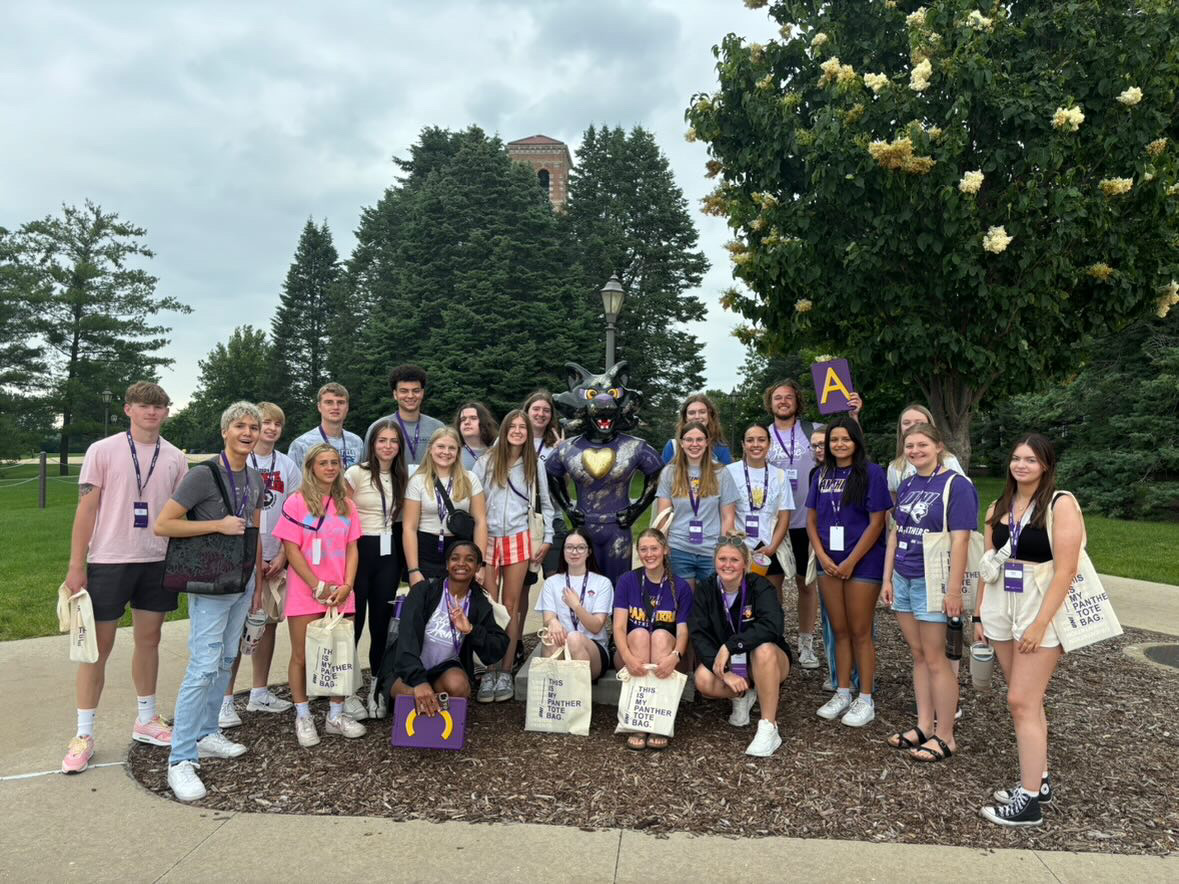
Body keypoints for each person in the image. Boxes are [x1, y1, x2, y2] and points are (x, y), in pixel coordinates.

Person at [60, 382, 189, 775]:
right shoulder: (103, 451)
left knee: (150, 640)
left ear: (167, 412)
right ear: (128, 409)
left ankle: (146, 719)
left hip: (156, 560)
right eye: (143, 406)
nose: (152, 412)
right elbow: (86, 510)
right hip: (110, 559)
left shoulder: (175, 457)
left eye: (159, 406)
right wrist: (76, 564)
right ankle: (84, 733)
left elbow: (182, 513)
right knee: (97, 648)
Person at [155, 402, 266, 801]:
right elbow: (164, 523)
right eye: (240, 426)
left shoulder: (254, 478)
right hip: (209, 582)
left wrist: (257, 583)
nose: (248, 432)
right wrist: (217, 524)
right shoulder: (202, 474)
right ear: (225, 431)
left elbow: (253, 528)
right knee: (202, 664)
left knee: (224, 659)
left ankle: (206, 733)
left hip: (241, 578)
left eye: (254, 426)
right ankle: (180, 759)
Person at [976, 435, 1083, 827]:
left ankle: (1029, 802)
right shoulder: (999, 506)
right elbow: (988, 563)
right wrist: (978, 616)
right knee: (1027, 700)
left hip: (1040, 608)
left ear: (1046, 465)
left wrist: (1040, 625)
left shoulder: (1060, 504)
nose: (1021, 465)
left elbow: (1067, 571)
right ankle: (1040, 778)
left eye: (1031, 460)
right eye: (1016, 458)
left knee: (1021, 701)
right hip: (1002, 606)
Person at [882, 423, 978, 760]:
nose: (915, 451)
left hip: (932, 580)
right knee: (919, 655)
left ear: (938, 447)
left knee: (938, 660)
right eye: (909, 446)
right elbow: (895, 532)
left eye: (922, 445)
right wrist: (887, 578)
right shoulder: (908, 484)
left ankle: (945, 734)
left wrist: (953, 591)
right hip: (904, 577)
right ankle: (924, 724)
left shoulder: (957, 485)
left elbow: (961, 538)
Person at [271, 442, 367, 748]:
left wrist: (348, 584)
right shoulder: (296, 502)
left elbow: (353, 547)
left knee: (340, 655)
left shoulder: (346, 505)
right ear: (311, 467)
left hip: (340, 592)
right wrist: (317, 585)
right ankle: (303, 715)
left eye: (334, 462)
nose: (329, 468)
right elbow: (291, 548)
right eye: (323, 463)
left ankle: (336, 715)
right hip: (306, 591)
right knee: (301, 656)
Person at [765, 379, 862, 669]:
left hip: (811, 522)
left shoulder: (815, 431)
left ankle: (806, 643)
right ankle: (775, 639)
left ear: (797, 402)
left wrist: (854, 416)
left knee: (807, 585)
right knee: (772, 586)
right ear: (770, 403)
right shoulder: (763, 436)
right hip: (774, 525)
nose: (783, 402)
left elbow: (849, 446)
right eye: (777, 397)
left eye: (788, 397)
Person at [806, 415, 891, 727]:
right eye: (834, 440)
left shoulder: (872, 473)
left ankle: (865, 697)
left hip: (862, 564)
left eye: (845, 439)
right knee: (838, 631)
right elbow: (812, 520)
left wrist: (852, 560)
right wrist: (821, 555)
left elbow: (877, 521)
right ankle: (843, 690)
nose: (839, 444)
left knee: (860, 632)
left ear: (856, 441)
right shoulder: (821, 474)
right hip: (828, 562)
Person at [220, 402, 299, 729]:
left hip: (275, 554)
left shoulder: (288, 465)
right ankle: (224, 700)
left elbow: (295, 510)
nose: (270, 429)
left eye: (276, 424)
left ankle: (259, 691)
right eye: (264, 423)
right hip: (242, 555)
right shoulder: (236, 463)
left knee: (266, 624)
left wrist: (283, 554)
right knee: (236, 628)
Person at [473, 410, 554, 702]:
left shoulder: (534, 465)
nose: (518, 431)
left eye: (523, 427)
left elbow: (546, 503)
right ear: (505, 430)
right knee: (491, 605)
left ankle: (505, 671)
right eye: (514, 426)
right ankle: (489, 670)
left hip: (519, 536)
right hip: (489, 538)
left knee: (511, 605)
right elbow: (476, 503)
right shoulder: (486, 462)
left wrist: (549, 536)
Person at [381, 540, 510, 715]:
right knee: (407, 693)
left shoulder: (478, 602)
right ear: (447, 564)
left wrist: (471, 629)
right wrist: (419, 682)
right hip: (408, 670)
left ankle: (431, 701)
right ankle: (427, 698)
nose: (461, 564)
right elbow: (407, 639)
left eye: (470, 559)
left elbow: (498, 646)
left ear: (478, 566)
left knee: (459, 687)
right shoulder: (424, 591)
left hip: (442, 671)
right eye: (455, 558)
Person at [690, 537, 792, 756]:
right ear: (714, 561)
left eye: (734, 560)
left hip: (768, 661)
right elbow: (699, 635)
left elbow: (773, 626)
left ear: (745, 563)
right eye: (722, 559)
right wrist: (724, 673)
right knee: (702, 679)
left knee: (763, 648)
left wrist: (731, 645)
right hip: (731, 666)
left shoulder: (760, 586)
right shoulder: (705, 590)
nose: (728, 565)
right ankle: (741, 697)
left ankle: (768, 726)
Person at [344, 418, 408, 718]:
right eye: (382, 440)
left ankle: (377, 688)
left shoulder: (402, 477)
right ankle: (346, 692)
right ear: (372, 443)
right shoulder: (356, 473)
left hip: (388, 554)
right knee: (353, 625)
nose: (387, 446)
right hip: (359, 551)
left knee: (381, 625)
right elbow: (339, 514)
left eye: (393, 441)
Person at [612, 528, 693, 750]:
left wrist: (676, 656)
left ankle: (658, 720)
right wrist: (627, 657)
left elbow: (683, 631)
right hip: (630, 658)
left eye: (654, 548)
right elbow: (618, 626)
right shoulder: (628, 581)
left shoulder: (680, 586)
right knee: (638, 634)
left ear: (665, 550)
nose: (649, 554)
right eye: (644, 549)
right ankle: (638, 720)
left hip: (665, 659)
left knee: (658, 635)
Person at [654, 421, 738, 588]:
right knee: (683, 603)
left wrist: (723, 549)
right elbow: (663, 515)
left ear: (707, 442)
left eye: (699, 440)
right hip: (679, 549)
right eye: (689, 439)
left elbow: (728, 516)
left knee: (709, 603)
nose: (694, 444)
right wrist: (663, 546)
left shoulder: (720, 472)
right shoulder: (670, 472)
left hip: (711, 550)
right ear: (681, 443)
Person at [403, 427, 489, 582]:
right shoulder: (417, 481)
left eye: (452, 448)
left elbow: (481, 522)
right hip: (426, 552)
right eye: (441, 446)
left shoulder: (470, 479)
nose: (446, 452)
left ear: (458, 452)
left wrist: (480, 564)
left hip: (460, 553)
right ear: (430, 449)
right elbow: (409, 528)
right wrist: (413, 570)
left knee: (458, 604)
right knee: (426, 603)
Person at [536, 529, 614, 681]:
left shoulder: (602, 583)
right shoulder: (552, 583)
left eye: (580, 547)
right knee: (549, 636)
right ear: (563, 551)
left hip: (593, 649)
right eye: (569, 547)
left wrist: (576, 606)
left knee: (575, 638)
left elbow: (596, 626)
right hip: (561, 644)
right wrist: (552, 622)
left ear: (589, 551)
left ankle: (576, 700)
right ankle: (554, 697)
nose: (574, 552)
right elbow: (548, 617)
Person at [725, 424, 793, 596]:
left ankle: (772, 624)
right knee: (739, 595)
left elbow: (784, 516)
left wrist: (772, 547)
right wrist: (736, 545)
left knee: (771, 596)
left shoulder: (780, 475)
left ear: (769, 444)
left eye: (761, 440)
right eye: (750, 440)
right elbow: (726, 513)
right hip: (739, 545)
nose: (756, 444)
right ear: (743, 444)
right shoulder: (730, 472)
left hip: (769, 544)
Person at [366, 365, 445, 471]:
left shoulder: (438, 428)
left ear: (422, 393)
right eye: (404, 391)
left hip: (428, 486)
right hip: (391, 486)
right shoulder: (378, 427)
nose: (410, 396)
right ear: (395, 394)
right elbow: (366, 466)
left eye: (416, 391)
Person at [523, 390, 565, 577]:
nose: (541, 414)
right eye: (536, 409)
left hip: (552, 516)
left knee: (555, 578)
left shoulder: (557, 444)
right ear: (527, 411)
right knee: (523, 583)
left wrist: (562, 456)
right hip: (521, 519)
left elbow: (566, 483)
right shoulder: (513, 437)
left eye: (546, 410)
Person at [886, 404, 965, 502]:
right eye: (906, 423)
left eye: (919, 422)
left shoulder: (948, 460)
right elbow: (894, 503)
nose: (913, 426)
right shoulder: (894, 467)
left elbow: (963, 497)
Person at [287, 382, 364, 471]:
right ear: (319, 407)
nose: (335, 407)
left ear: (347, 407)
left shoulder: (357, 442)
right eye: (329, 402)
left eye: (340, 402)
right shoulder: (301, 444)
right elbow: (293, 483)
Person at [661, 394, 733, 465]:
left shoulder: (721, 447)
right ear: (685, 417)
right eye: (691, 413)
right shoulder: (673, 446)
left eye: (702, 412)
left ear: (709, 415)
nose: (697, 416)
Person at [455, 401, 498, 469]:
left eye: (473, 418)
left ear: (484, 422)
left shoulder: (496, 452)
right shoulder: (453, 454)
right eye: (463, 419)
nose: (466, 422)